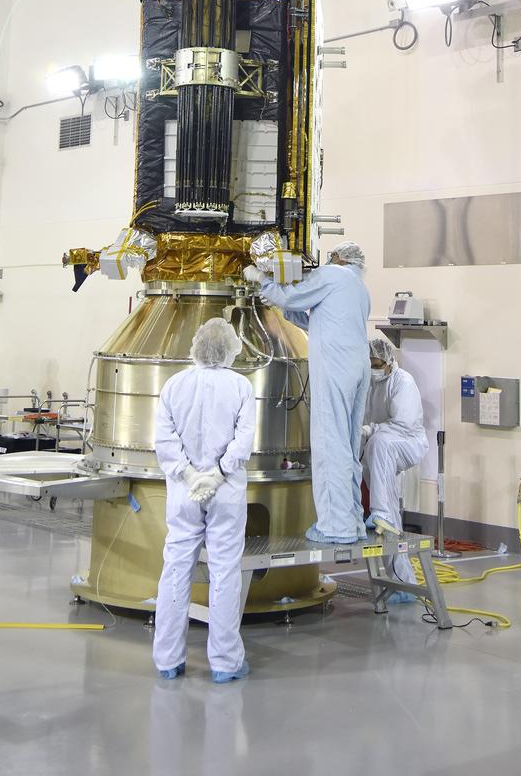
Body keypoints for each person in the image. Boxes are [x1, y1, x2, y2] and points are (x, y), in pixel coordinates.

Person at [244, 241, 371, 545]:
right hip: (357, 365)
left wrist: (263, 279)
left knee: (330, 442)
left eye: (332, 255)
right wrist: (280, 302)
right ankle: (352, 521)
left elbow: (294, 296)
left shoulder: (332, 274)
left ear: (340, 258)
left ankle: (335, 526)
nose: (328, 258)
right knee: (348, 445)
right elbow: (311, 316)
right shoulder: (358, 287)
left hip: (337, 366)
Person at [153, 317, 255, 683]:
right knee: (225, 572)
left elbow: (164, 442)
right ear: (231, 348)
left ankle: (168, 659)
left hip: (184, 493)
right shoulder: (241, 387)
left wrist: (191, 476)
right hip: (225, 493)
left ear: (196, 346)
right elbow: (243, 441)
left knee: (176, 569)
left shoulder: (174, 385)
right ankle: (225, 663)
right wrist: (217, 475)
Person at [361, 335, 429, 600]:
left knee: (379, 443)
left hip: (407, 442)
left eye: (376, 363)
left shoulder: (404, 382)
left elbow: (402, 424)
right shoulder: (369, 383)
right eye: (369, 363)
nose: (373, 368)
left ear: (388, 361)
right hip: (380, 448)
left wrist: (369, 429)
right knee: (387, 494)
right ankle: (401, 580)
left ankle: (381, 513)